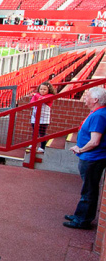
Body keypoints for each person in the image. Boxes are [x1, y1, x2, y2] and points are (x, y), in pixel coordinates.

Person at [64, 87, 106, 230]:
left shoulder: (98, 115)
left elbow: (95, 141)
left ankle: (82, 220)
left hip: (92, 158)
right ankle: (79, 215)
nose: (84, 98)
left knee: (88, 190)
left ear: (95, 100)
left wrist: (80, 149)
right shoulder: (97, 113)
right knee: (87, 188)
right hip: (90, 157)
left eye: (87, 96)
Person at [29, 82, 55, 153]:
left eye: (44, 89)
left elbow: (42, 99)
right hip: (35, 116)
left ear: (48, 90)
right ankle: (33, 144)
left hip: (44, 118)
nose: (42, 91)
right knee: (34, 132)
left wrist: (35, 95)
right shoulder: (37, 95)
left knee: (42, 133)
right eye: (41, 89)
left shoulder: (50, 96)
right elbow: (32, 102)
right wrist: (35, 95)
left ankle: (42, 147)